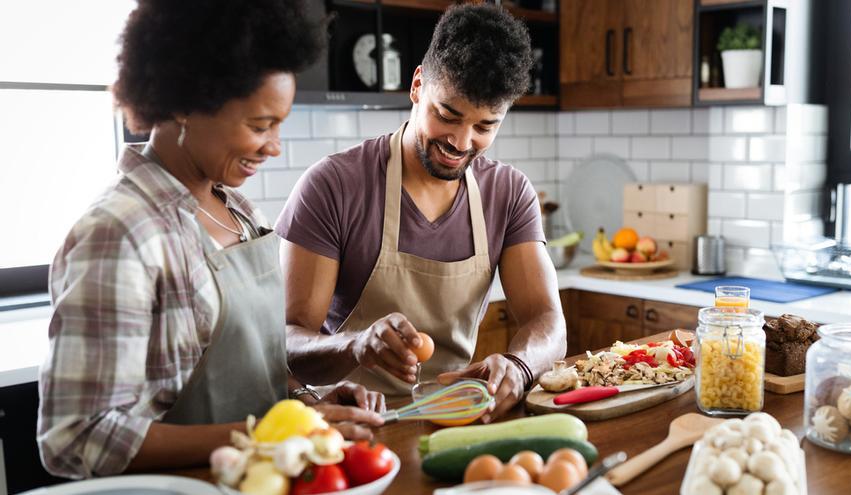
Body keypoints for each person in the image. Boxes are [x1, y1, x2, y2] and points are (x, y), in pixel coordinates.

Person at [38, 0, 384, 480]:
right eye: (260, 126)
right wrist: (273, 434)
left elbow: (256, 370)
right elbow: (78, 438)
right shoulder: (120, 234)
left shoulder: (240, 212)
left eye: (279, 124)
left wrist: (309, 404)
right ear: (184, 104)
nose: (274, 146)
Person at [276, 3, 566, 422]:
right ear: (417, 86)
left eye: (485, 127)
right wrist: (356, 345)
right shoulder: (334, 185)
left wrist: (520, 367)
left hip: (456, 419)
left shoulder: (508, 192)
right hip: (355, 425)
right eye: (447, 115)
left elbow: (547, 320)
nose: (461, 142)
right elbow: (285, 345)